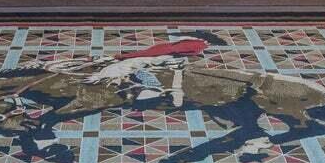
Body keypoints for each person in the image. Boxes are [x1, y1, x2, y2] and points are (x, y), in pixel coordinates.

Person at [83, 32, 225, 106]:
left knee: (130, 63)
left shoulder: (195, 44)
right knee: (130, 61)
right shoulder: (196, 44)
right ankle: (99, 64)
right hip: (164, 56)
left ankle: (100, 76)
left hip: (163, 58)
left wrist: (127, 56)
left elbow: (151, 53)